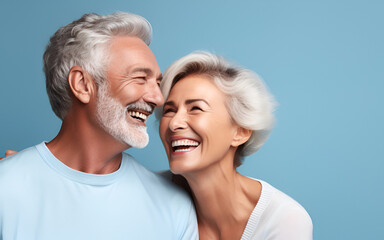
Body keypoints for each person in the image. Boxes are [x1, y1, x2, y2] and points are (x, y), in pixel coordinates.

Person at [0, 12, 198, 239]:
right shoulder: (6, 188)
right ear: (83, 84)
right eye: (140, 78)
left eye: (157, 83)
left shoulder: (174, 206)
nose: (158, 99)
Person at [158, 51, 313, 239]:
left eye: (196, 108)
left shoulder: (283, 220)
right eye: (169, 110)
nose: (174, 123)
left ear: (240, 132)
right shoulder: (147, 193)